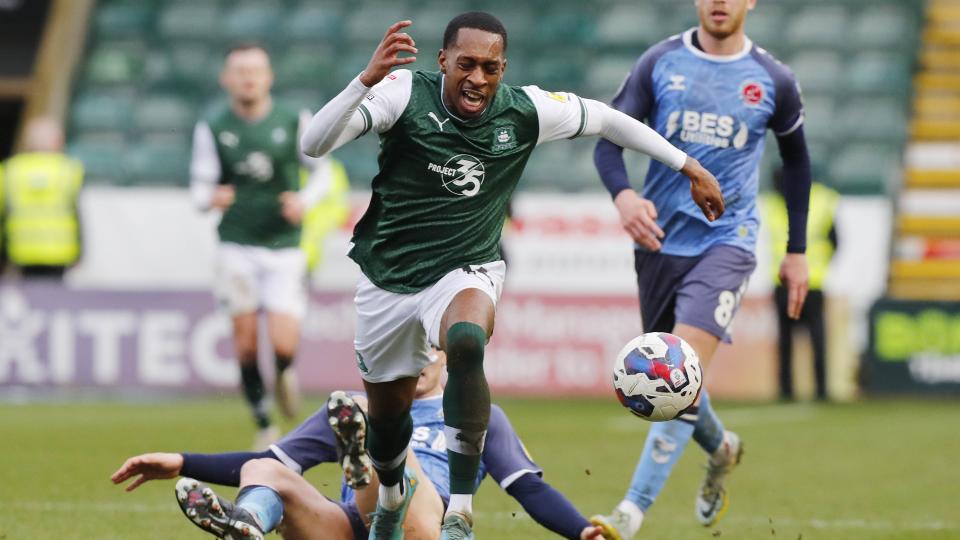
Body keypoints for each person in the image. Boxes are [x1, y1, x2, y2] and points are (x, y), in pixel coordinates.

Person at [299, 12, 724, 539]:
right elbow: (313, 144)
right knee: (386, 425)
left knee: (467, 340)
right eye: (466, 65)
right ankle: (389, 495)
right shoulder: (403, 93)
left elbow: (607, 119)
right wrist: (365, 80)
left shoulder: (525, 110)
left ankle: (460, 509)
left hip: (464, 269)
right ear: (443, 61)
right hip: (387, 280)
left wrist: (689, 166)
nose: (478, 78)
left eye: (491, 68)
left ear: (504, 68)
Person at [591, 0, 812, 537]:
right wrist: (624, 196)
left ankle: (630, 513)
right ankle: (721, 448)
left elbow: (797, 161)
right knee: (675, 381)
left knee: (674, 367)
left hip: (727, 240)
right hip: (659, 242)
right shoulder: (659, 62)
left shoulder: (774, 79)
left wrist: (797, 249)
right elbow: (609, 142)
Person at [111, 350, 609, 540]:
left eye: (427, 350)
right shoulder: (350, 406)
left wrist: (582, 531)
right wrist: (182, 462)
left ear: (446, 355)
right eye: (406, 352)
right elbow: (265, 459)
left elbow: (529, 489)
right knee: (266, 472)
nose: (417, 362)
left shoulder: (476, 413)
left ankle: (367, 457)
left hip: (427, 528)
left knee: (388, 437)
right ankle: (247, 524)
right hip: (350, 528)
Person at [190, 43, 335, 449]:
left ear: (269, 77)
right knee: (246, 341)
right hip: (236, 243)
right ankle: (264, 424)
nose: (248, 78)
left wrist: (304, 200)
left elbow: (323, 173)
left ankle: (285, 371)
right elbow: (199, 185)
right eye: (240, 71)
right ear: (227, 79)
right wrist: (209, 197)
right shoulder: (213, 126)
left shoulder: (293, 120)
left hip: (284, 246)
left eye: (255, 70)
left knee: (284, 343)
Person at [762, 169, 838, 401]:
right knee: (787, 340)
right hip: (783, 283)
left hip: (811, 282)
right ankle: (787, 390)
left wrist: (818, 265)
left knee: (815, 339)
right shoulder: (773, 204)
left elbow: (835, 240)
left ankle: (820, 390)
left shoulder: (822, 199)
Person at [2, 116, 84, 279]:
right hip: (60, 250)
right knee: (54, 294)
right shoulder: (70, 169)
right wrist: (80, 251)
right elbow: (77, 213)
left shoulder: (10, 170)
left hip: (20, 250)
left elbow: (3, 214)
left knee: (27, 293)